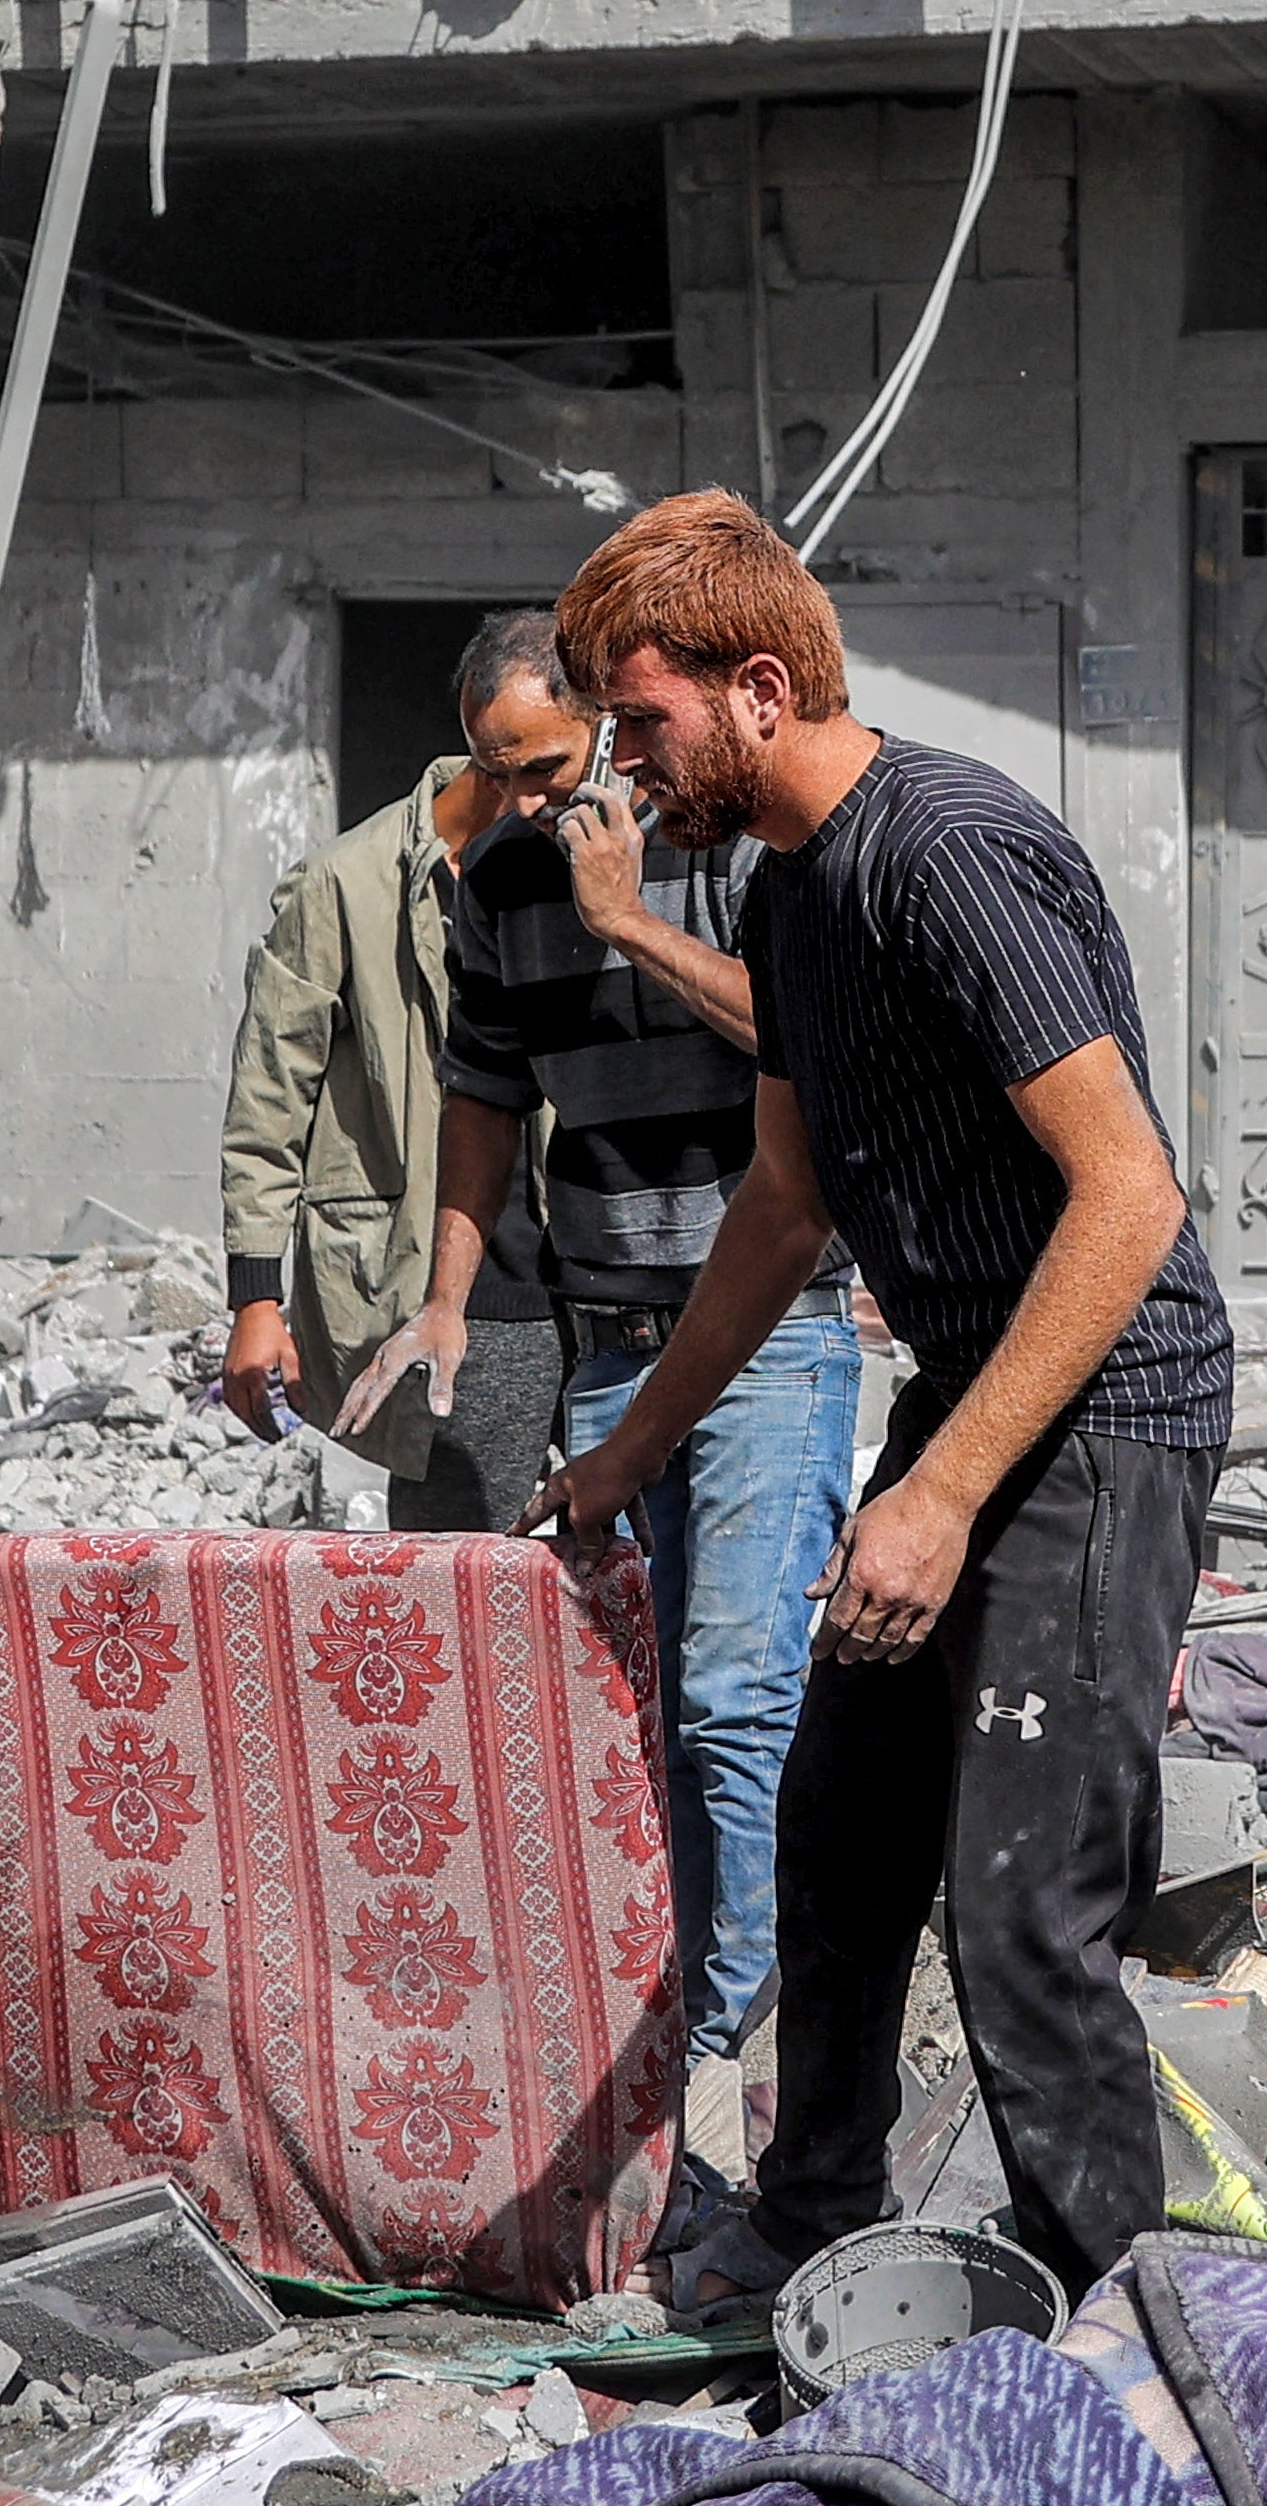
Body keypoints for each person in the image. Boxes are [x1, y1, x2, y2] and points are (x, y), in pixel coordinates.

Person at [528, 495, 1230, 2309]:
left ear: (760, 688)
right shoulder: (795, 891)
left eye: (643, 717)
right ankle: (813, 2225)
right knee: (841, 1841)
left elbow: (1131, 1196)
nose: (624, 763)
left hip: (1105, 1402)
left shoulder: (945, 846)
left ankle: (1133, 2328)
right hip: (978, 1399)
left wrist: (936, 1496)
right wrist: (626, 1451)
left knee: (1023, 1918)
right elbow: (784, 1204)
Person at [402, 610, 854, 2073]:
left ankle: (740, 2042)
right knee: (640, 1707)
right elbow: (483, 1101)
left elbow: (802, 1038)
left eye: (546, 763)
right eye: (495, 771)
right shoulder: (500, 880)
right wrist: (448, 1300)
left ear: (605, 719)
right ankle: (670, 2007)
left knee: (738, 1695)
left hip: (772, 1338)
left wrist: (629, 925)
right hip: (611, 1342)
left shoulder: (738, 852)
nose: (528, 799)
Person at [217, 710, 561, 1525]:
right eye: (531, 768)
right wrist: (256, 1301)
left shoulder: (599, 851)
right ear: (489, 750)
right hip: (445, 1299)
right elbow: (268, 1106)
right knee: (458, 1590)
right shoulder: (344, 884)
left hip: (600, 1291)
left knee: (622, 1601)